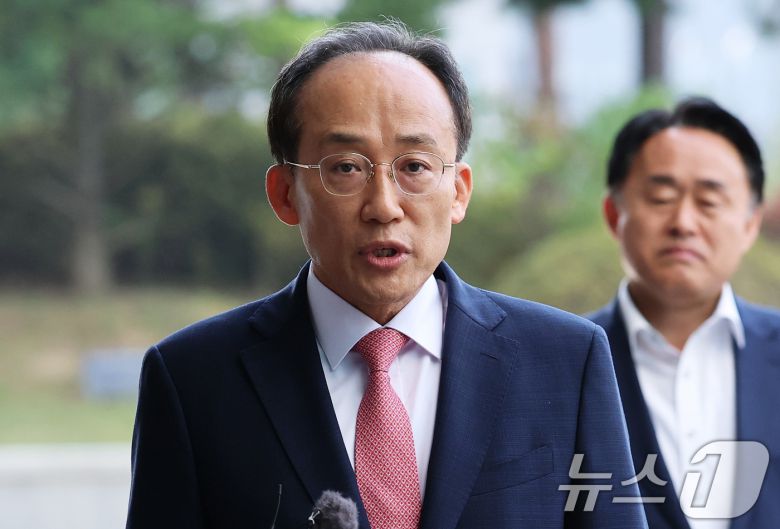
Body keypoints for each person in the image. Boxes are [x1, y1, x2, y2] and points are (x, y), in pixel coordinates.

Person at [126, 21, 647, 529]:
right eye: (346, 168)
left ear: (459, 191)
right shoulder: (194, 381)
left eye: (414, 166)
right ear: (285, 194)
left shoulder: (566, 361)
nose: (383, 206)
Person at [587, 97, 780, 529]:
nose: (684, 223)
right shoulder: (557, 363)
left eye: (709, 201)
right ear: (614, 213)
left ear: (750, 224)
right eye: (661, 197)